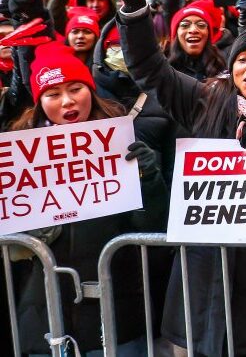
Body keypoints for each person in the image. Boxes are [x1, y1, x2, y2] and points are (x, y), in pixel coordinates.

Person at [112, 0, 246, 357]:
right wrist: (135, 10)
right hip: (205, 284)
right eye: (243, 59)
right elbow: (151, 70)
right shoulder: (208, 99)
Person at [10, 42, 167, 357]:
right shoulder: (17, 151)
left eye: (75, 89)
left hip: (116, 315)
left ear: (91, 91)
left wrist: (149, 179)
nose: (67, 101)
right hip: (43, 318)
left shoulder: (122, 139)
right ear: (40, 102)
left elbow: (151, 225)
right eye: (53, 94)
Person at [167, 0, 226, 80]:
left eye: (201, 25)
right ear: (175, 34)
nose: (193, 30)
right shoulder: (163, 70)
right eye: (185, 25)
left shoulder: (223, 66)